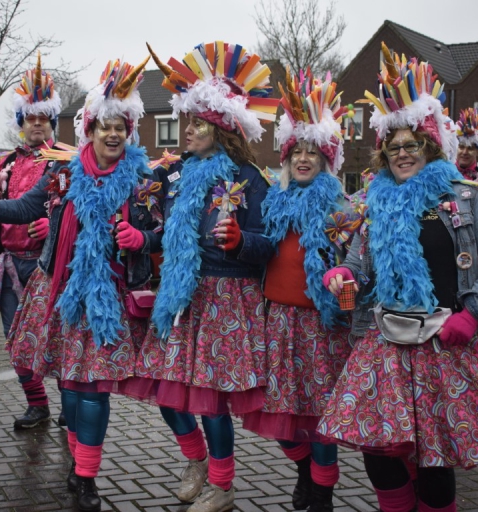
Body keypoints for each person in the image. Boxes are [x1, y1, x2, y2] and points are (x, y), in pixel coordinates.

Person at [319, 43, 478, 512]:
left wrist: (474, 314)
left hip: (448, 339)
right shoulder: (374, 203)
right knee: (380, 453)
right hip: (387, 340)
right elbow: (358, 264)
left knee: (436, 460)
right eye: (392, 147)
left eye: (410, 144)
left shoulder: (467, 197)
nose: (401, 153)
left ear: (429, 146)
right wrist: (340, 273)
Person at [0, 57, 157, 512]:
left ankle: (85, 476)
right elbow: (24, 209)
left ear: (130, 130)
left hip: (112, 297)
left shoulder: (143, 181)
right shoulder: (62, 172)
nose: (112, 134)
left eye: (120, 126)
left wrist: (141, 236)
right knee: (72, 385)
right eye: (104, 126)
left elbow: (166, 232)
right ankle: (79, 457)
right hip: (63, 290)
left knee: (95, 389)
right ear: (90, 130)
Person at [130, 42, 279, 512]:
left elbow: (267, 243)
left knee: (211, 403)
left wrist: (241, 242)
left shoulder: (249, 177)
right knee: (167, 394)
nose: (187, 129)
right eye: (187, 120)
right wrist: (144, 239)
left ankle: (223, 485)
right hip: (182, 294)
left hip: (227, 298)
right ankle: (195, 460)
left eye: (197, 122)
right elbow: (171, 233)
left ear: (219, 127)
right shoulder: (177, 175)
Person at [240, 69, 358, 512]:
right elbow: (261, 248)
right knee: (285, 421)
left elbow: (355, 262)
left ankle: (322, 493)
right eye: (297, 152)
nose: (304, 159)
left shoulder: (340, 206)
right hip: (279, 322)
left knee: (319, 417)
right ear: (287, 159)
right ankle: (305, 471)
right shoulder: (273, 200)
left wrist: (346, 281)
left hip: (322, 325)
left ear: (326, 160)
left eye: (313, 152)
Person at [0, 53, 64, 430]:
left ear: (52, 122)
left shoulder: (63, 161)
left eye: (43, 119)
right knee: (15, 341)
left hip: (47, 267)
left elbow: (70, 210)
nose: (37, 125)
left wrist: (50, 227)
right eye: (31, 118)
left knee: (54, 339)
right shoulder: (6, 163)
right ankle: (37, 405)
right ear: (22, 123)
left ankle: (71, 404)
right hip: (9, 265)